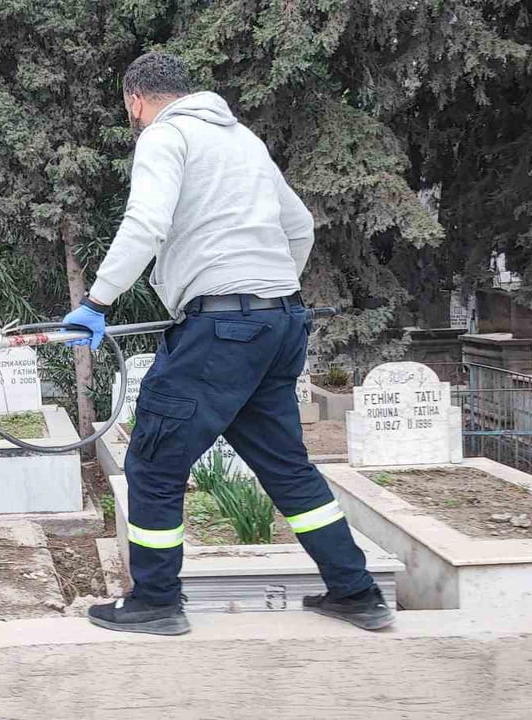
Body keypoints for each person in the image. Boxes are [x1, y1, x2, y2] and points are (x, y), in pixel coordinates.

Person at [63, 51, 394, 636]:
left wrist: (96, 303)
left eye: (131, 111)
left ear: (134, 101)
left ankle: (157, 602)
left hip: (220, 329)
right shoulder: (244, 141)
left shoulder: (165, 138)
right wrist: (270, 290)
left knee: (153, 464)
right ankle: (357, 592)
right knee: (287, 467)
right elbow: (301, 228)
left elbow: (146, 224)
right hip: (282, 321)